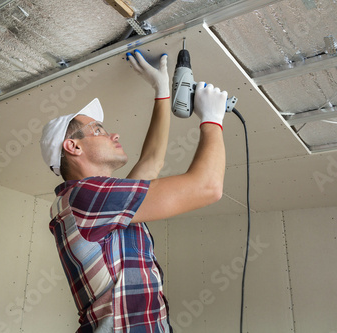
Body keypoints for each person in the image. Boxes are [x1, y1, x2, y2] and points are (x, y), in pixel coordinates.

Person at [40, 49, 227, 332]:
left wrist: (162, 90)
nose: (113, 134)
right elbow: (207, 188)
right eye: (99, 129)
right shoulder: (84, 198)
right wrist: (212, 120)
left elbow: (152, 163)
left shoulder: (88, 201)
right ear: (73, 147)